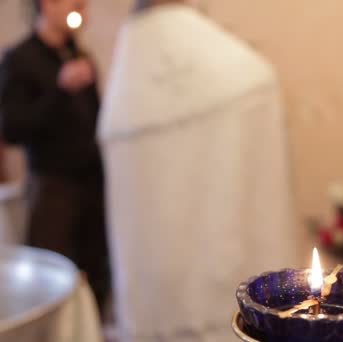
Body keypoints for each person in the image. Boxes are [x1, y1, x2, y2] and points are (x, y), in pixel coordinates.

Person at [99, 0, 296, 340]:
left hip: (157, 283)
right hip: (224, 270)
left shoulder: (131, 76)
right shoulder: (238, 77)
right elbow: (261, 80)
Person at [0, 0, 110, 313]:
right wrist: (59, 89)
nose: (82, 12)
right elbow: (11, 128)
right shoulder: (20, 58)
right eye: (74, 4)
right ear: (47, 5)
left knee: (97, 271)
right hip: (53, 186)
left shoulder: (81, 55)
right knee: (53, 277)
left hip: (92, 180)